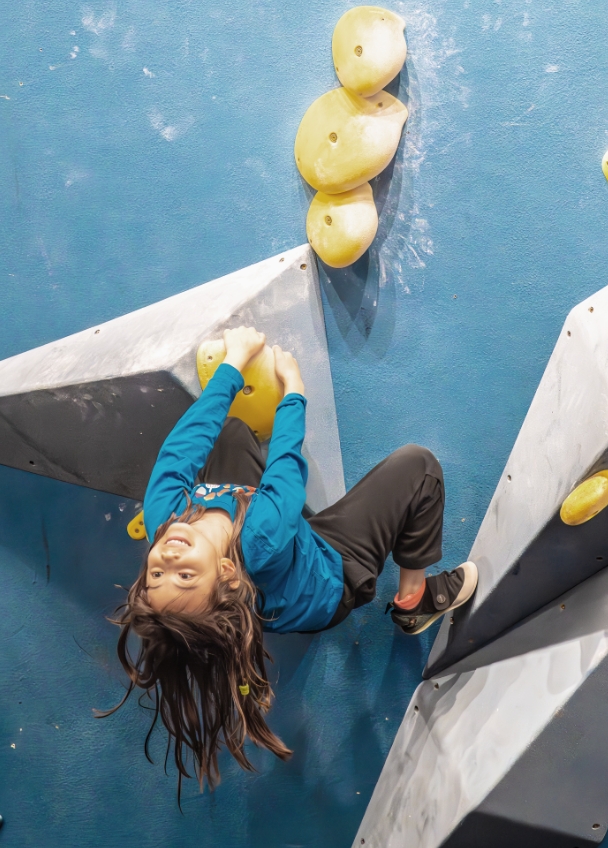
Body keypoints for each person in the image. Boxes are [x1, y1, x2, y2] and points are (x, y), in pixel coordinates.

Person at [104, 325, 477, 793]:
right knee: (418, 465)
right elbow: (286, 462)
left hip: (273, 565)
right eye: (184, 573)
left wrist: (232, 366)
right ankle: (414, 602)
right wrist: (293, 386)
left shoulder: (167, 519)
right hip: (332, 574)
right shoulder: (261, 534)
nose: (168, 554)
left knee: (231, 433)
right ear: (224, 573)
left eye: (157, 571)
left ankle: (240, 616)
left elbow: (182, 448)